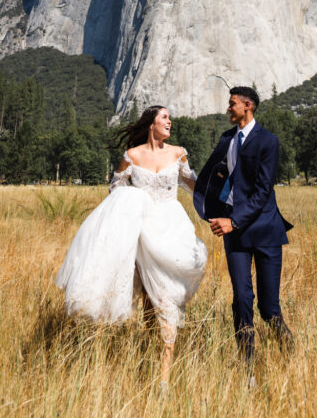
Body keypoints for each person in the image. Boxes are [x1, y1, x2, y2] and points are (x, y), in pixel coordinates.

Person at [55, 105, 207, 389]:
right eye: (164, 117)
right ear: (151, 123)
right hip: (140, 231)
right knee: (148, 301)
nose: (170, 121)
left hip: (171, 229)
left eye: (169, 118)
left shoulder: (178, 153)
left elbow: (192, 185)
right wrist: (132, 206)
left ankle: (163, 379)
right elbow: (115, 187)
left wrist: (219, 200)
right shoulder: (132, 156)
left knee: (165, 300)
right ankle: (143, 363)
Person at [193, 86, 293, 368]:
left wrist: (233, 220)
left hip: (265, 230)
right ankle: (247, 363)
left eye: (232, 103)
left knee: (268, 307)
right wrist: (212, 209)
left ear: (247, 105)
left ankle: (289, 354)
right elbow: (215, 176)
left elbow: (263, 191)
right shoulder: (227, 138)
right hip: (234, 234)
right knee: (241, 301)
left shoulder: (268, 141)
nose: (228, 108)